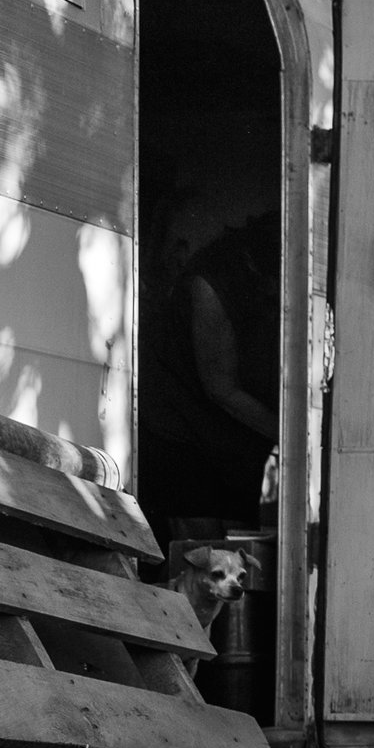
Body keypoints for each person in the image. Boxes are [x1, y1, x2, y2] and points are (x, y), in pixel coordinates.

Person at [138, 214, 280, 538]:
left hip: (230, 434)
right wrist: (286, 433)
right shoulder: (210, 287)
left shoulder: (257, 282)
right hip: (179, 425)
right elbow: (221, 388)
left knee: (238, 544)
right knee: (199, 549)